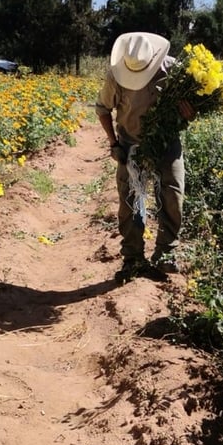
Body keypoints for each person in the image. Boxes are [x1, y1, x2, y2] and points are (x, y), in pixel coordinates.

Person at [96, 32, 193, 282]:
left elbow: (192, 109)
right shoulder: (116, 76)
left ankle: (166, 253)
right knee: (131, 200)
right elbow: (103, 109)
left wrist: (189, 113)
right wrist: (114, 143)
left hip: (166, 141)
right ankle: (133, 259)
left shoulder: (175, 70)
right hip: (131, 143)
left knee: (172, 193)